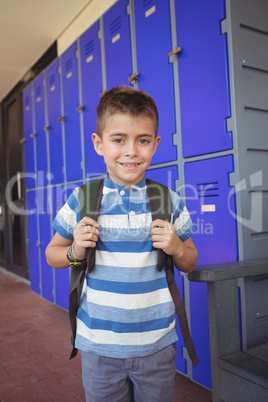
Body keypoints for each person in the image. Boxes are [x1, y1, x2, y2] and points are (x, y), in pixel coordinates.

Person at [46, 86, 198, 402]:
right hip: (98, 347)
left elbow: (190, 261)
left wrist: (177, 248)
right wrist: (75, 250)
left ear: (155, 144)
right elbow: (52, 254)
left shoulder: (169, 200)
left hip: (156, 345)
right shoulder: (81, 199)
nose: (131, 151)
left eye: (142, 140)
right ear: (98, 144)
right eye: (118, 140)